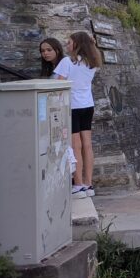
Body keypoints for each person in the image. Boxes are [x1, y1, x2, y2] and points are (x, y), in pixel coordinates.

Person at [54, 32, 101, 199]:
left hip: (71, 106)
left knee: (76, 146)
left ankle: (78, 184)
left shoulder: (67, 62)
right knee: (87, 145)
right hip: (87, 105)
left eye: (70, 43)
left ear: (77, 44)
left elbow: (58, 85)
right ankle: (89, 184)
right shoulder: (93, 62)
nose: (67, 45)